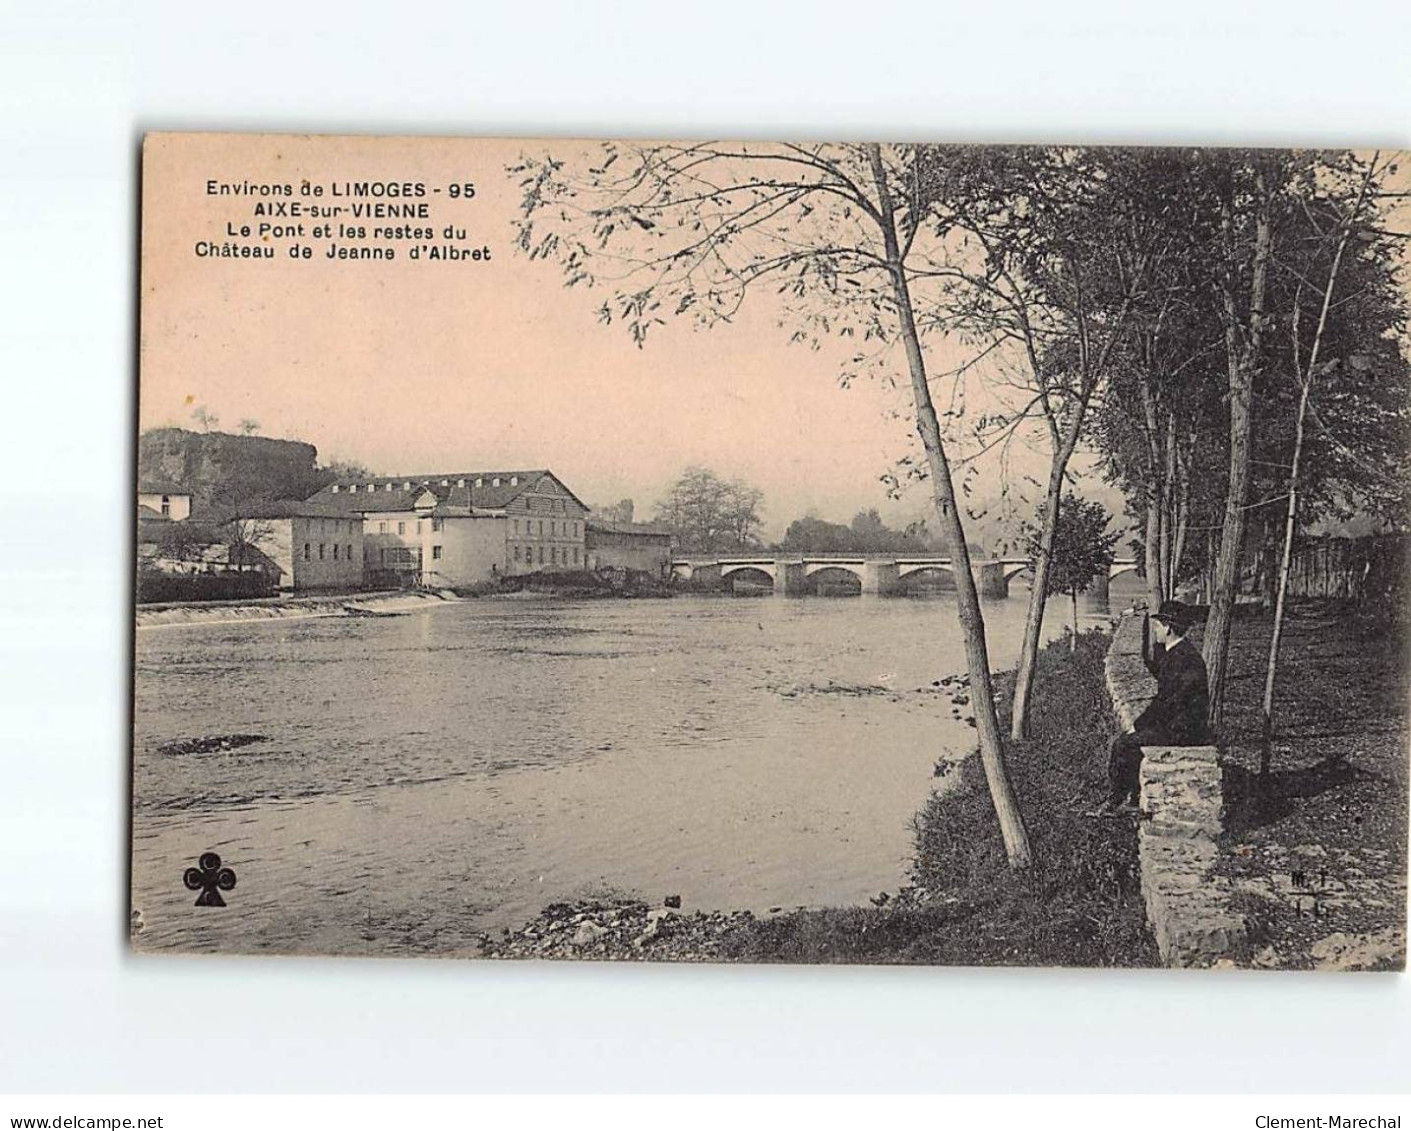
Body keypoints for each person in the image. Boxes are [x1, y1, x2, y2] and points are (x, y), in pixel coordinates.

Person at [1089, 600, 1210, 817]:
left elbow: (1168, 701)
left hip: (1184, 730)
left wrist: (1139, 725)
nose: (1154, 630)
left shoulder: (1184, 659)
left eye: (1158, 626)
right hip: (1180, 723)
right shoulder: (1179, 653)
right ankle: (1133, 796)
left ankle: (1115, 800)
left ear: (1169, 628)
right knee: (1134, 741)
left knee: (1123, 744)